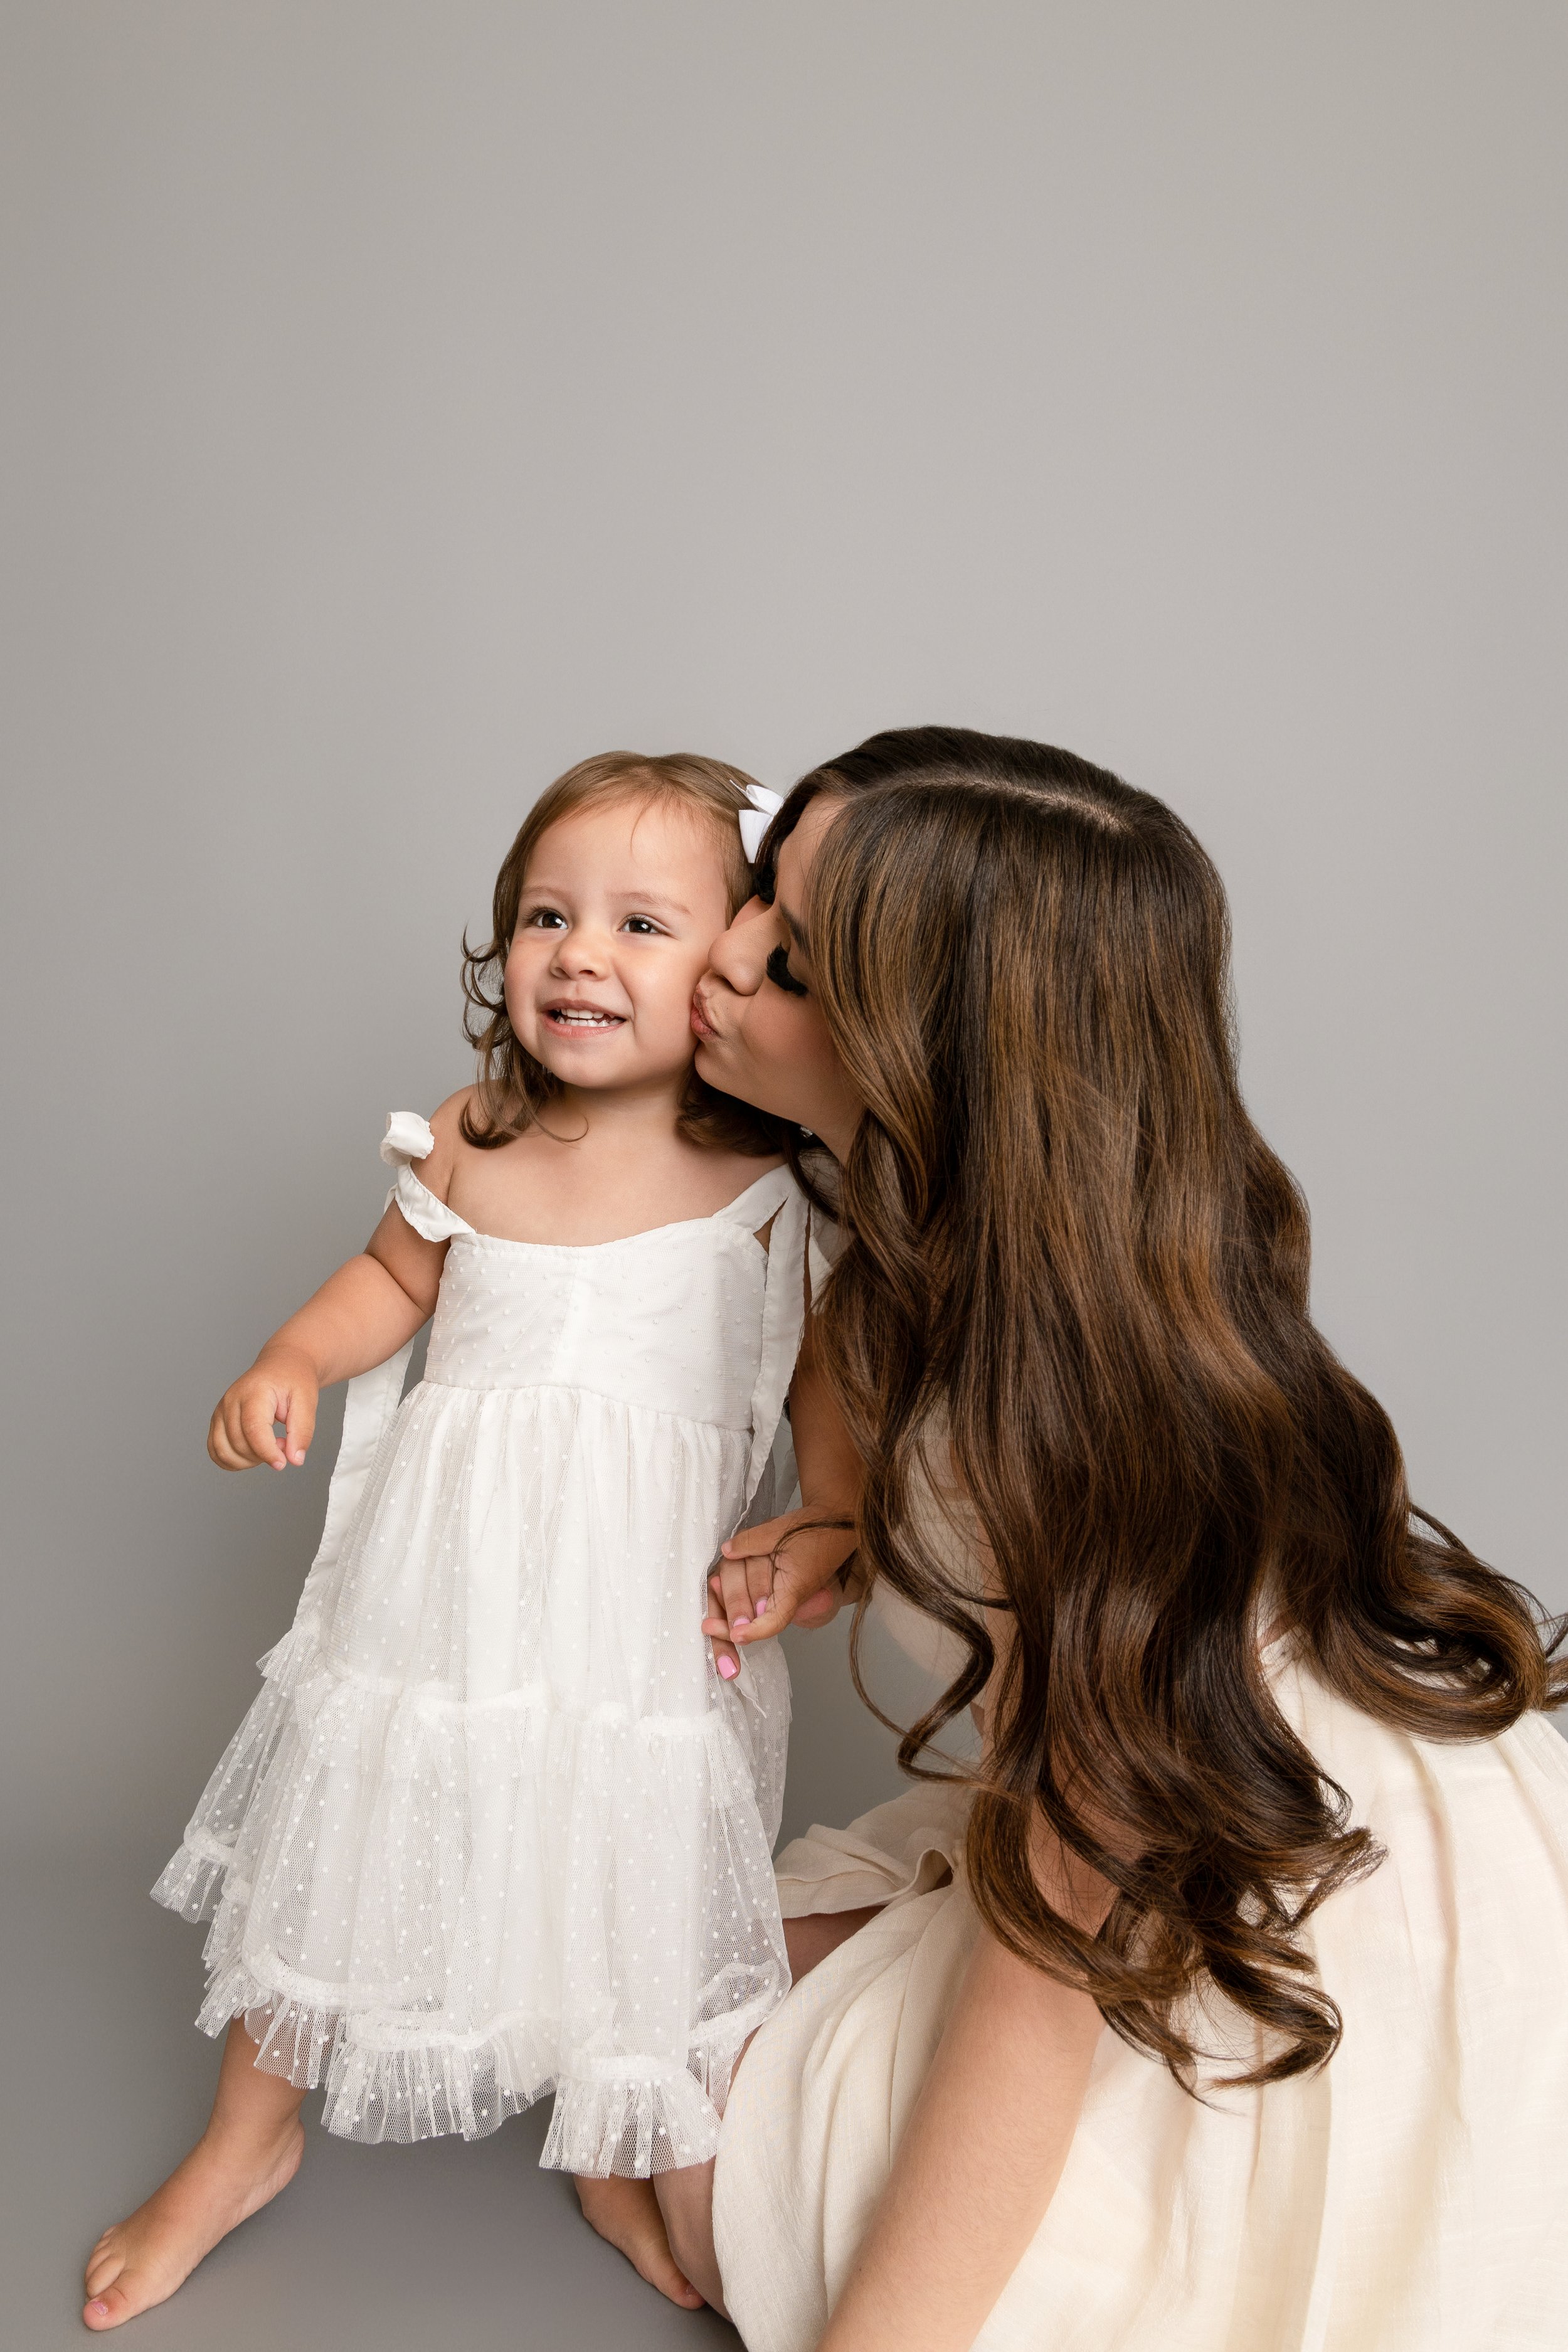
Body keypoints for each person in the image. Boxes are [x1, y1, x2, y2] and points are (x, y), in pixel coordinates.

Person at [680, 728, 1568, 2351]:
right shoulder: (925, 1211)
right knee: (641, 2005)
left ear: (928, 1045)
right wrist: (832, 1523)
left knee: (711, 2134)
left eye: (789, 956)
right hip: (1090, 1822)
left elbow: (1055, 1935)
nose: (720, 955)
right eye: (751, 892)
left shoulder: (1087, 1434)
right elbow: (875, 1409)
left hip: (1215, 1862)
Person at [82, 751, 849, 2331]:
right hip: (434, 1617)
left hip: (630, 1632)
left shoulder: (770, 1190)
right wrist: (294, 1358)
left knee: (616, 1880)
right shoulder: (473, 1140)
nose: (579, 953)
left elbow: (820, 1392)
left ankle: (612, 2147)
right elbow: (389, 1289)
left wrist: (821, 1523)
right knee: (338, 1861)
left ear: (726, 972)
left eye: (642, 925)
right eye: (547, 915)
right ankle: (247, 2142)